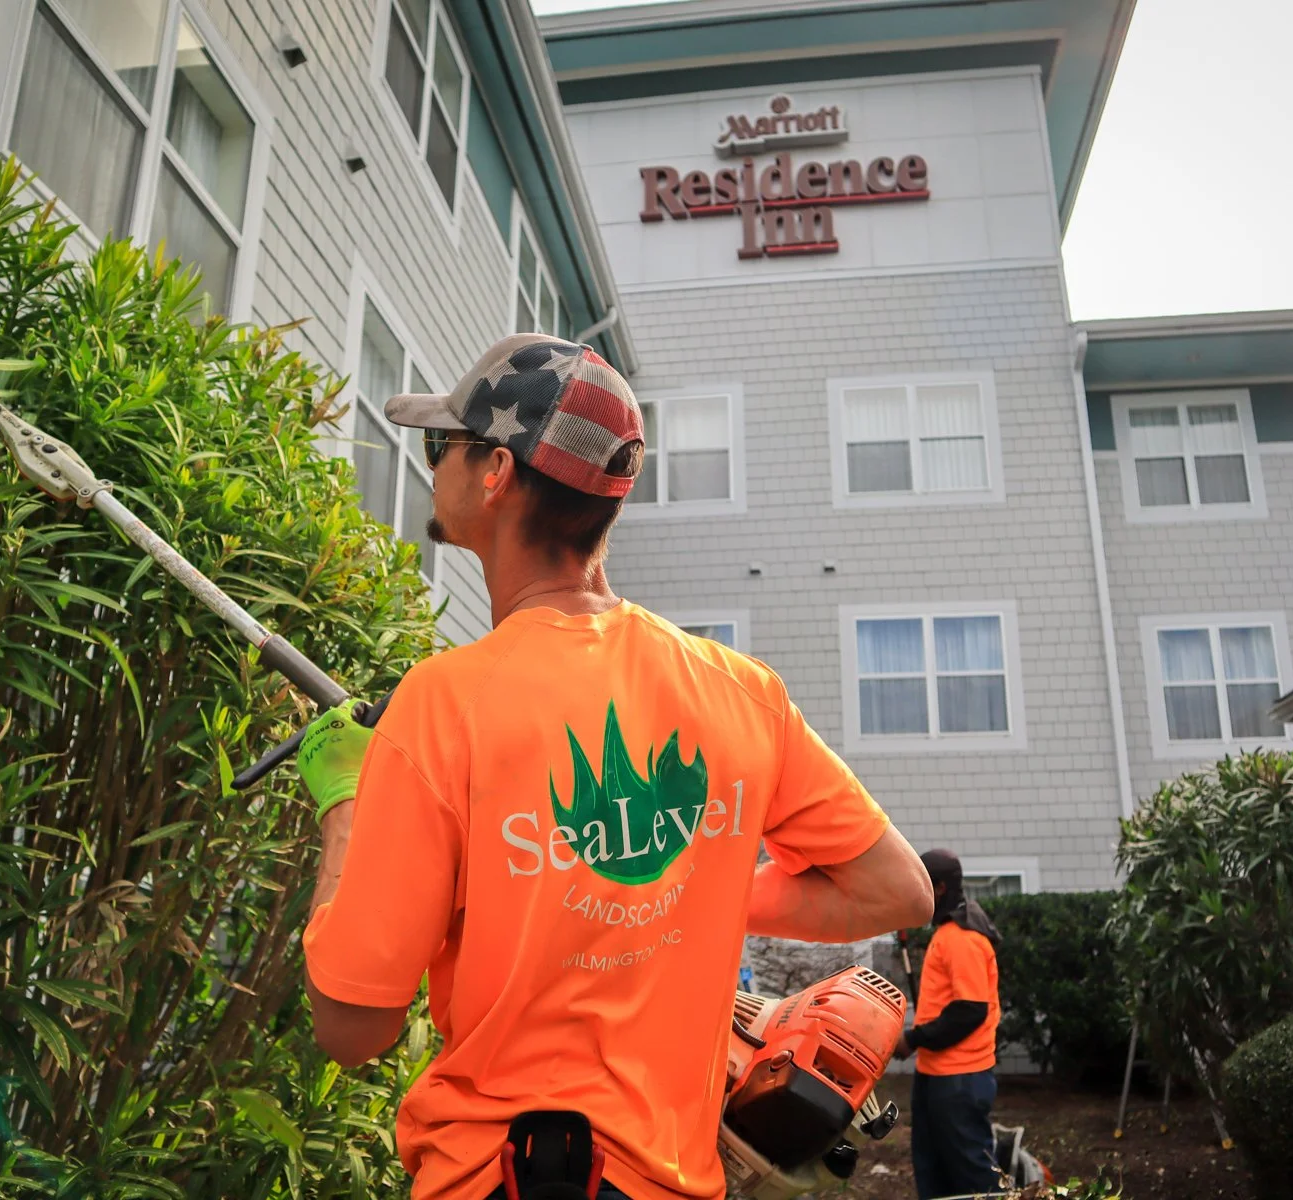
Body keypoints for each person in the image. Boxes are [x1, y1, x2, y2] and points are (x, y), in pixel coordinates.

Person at [291, 333, 935, 1200]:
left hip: (498, 1179)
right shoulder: (739, 691)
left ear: (496, 472)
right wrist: (680, 874)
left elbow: (351, 1027)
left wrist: (344, 801)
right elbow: (895, 888)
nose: (432, 460)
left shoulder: (444, 705)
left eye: (444, 441)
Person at [896, 849, 1004, 1199]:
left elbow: (970, 1010)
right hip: (938, 1074)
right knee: (933, 1169)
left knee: (973, 1175)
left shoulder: (963, 938)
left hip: (960, 1079)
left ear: (939, 888)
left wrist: (914, 1038)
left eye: (921, 883)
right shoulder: (948, 932)